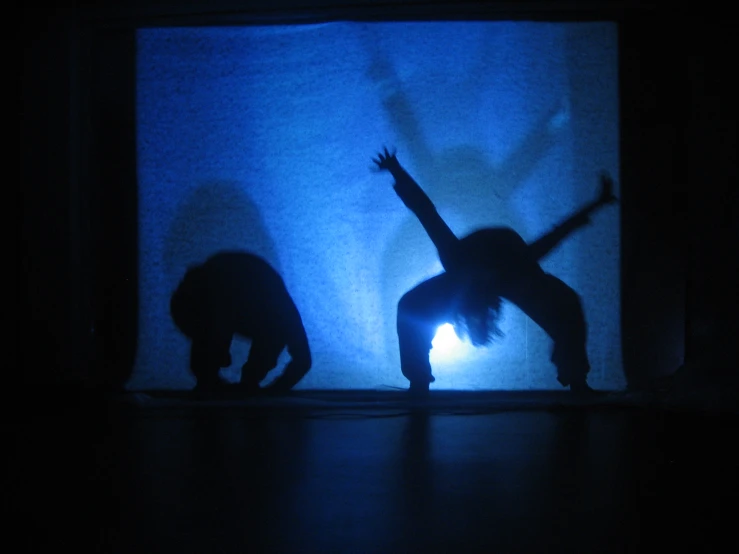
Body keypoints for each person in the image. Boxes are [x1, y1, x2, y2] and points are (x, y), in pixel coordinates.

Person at [372, 147, 617, 395]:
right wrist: (596, 204)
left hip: (505, 264)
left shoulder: (491, 265)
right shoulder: (476, 265)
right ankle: (419, 381)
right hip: (497, 267)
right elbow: (426, 211)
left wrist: (397, 171)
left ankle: (576, 378)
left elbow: (426, 211)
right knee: (412, 306)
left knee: (566, 304)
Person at [170, 251, 311, 396]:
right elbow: (303, 360)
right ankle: (219, 377)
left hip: (240, 297)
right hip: (225, 292)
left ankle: (215, 376)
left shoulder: (278, 313)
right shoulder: (277, 312)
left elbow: (303, 360)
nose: (227, 362)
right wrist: (273, 390)